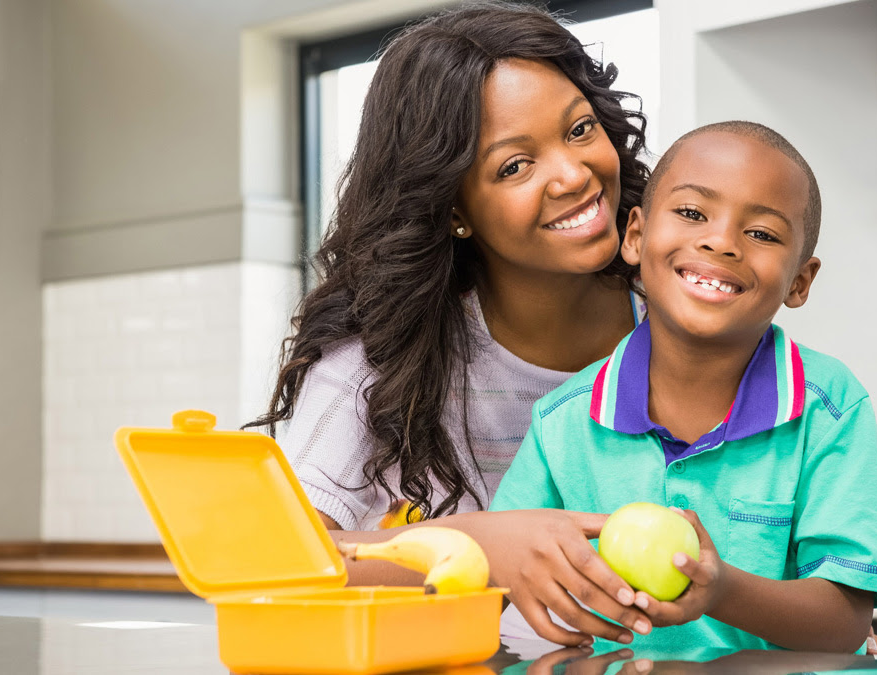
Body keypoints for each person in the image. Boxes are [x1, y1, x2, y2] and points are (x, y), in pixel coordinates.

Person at [249, 1, 656, 648]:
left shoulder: (676, 313)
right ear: (451, 208)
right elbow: (277, 556)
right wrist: (476, 544)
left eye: (579, 130)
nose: (574, 175)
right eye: (514, 166)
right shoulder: (387, 354)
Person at [489, 121, 877, 653]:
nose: (721, 241)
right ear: (635, 235)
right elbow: (493, 574)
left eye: (762, 234)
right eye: (691, 213)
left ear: (799, 281)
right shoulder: (562, 420)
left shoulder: (829, 406)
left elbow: (845, 621)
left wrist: (722, 590)